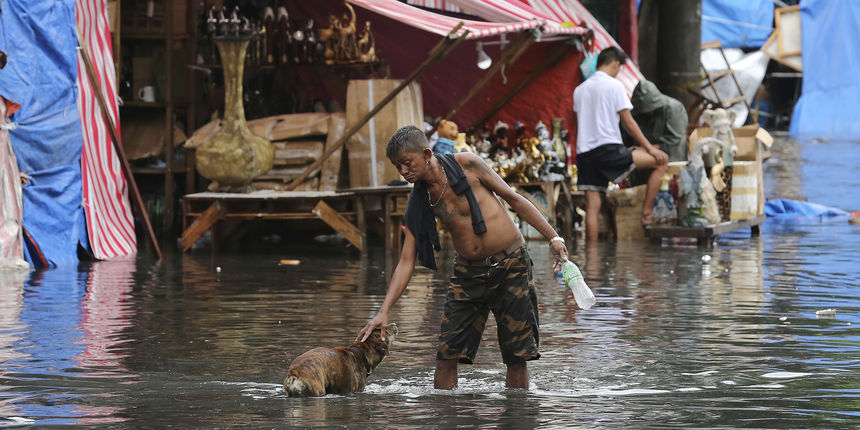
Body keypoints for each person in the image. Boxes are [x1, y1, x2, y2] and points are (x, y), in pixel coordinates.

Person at [357, 125, 569, 390]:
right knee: (446, 354)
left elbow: (513, 199)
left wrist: (554, 238)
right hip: (468, 274)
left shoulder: (468, 164)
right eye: (397, 166)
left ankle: (518, 411)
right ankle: (445, 411)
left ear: (426, 154)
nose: (403, 171)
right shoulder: (419, 200)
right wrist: (383, 311)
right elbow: (406, 260)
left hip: (511, 264)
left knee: (517, 356)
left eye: (407, 163)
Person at [573, 47, 669, 241]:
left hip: (585, 153)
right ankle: (647, 213)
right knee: (661, 161)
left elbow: (578, 123)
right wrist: (650, 148)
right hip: (609, 149)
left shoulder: (579, 90)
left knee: (592, 207)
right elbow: (628, 122)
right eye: (619, 68)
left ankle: (591, 257)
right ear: (615, 64)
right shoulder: (614, 86)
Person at [630, 79, 689, 163]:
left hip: (672, 157)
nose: (647, 112)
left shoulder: (673, 108)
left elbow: (674, 140)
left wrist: (645, 148)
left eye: (649, 109)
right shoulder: (635, 112)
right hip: (645, 155)